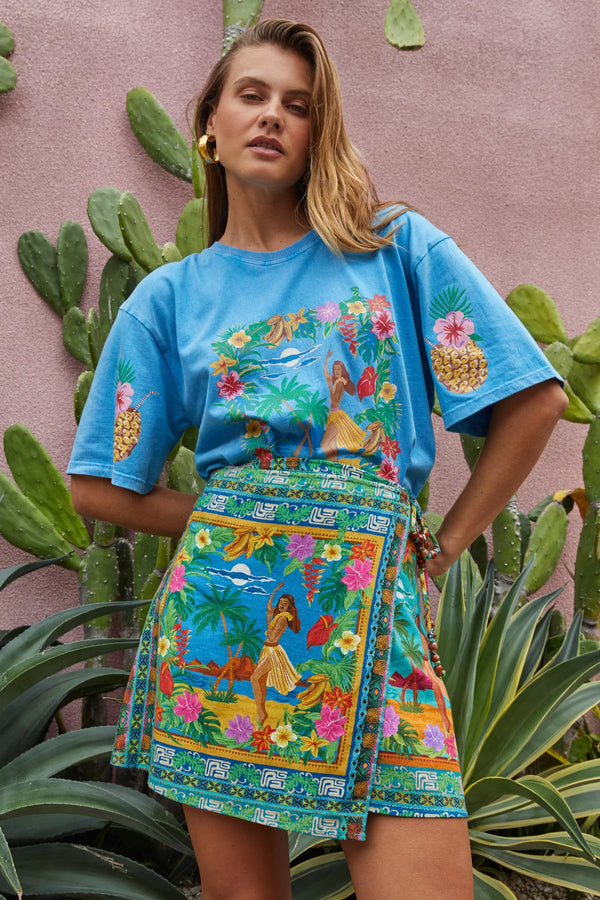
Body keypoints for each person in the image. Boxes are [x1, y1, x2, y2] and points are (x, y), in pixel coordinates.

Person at [68, 18, 567, 900]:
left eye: (297, 106)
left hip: (374, 615)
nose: (273, 117)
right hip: (220, 629)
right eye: (251, 96)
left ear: (316, 133)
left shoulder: (393, 250)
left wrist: (442, 548)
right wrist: (233, 519)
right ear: (209, 127)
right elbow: (96, 486)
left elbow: (534, 403)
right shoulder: (168, 300)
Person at [251, 582, 301, 725]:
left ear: (289, 607)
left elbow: (272, 637)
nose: (281, 605)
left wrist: (267, 619)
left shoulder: (283, 618)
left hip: (273, 651)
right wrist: (274, 590)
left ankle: (261, 712)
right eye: (280, 602)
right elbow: (268, 606)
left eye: (285, 603)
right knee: (260, 680)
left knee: (254, 678)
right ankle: (262, 712)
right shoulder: (278, 615)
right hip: (267, 649)